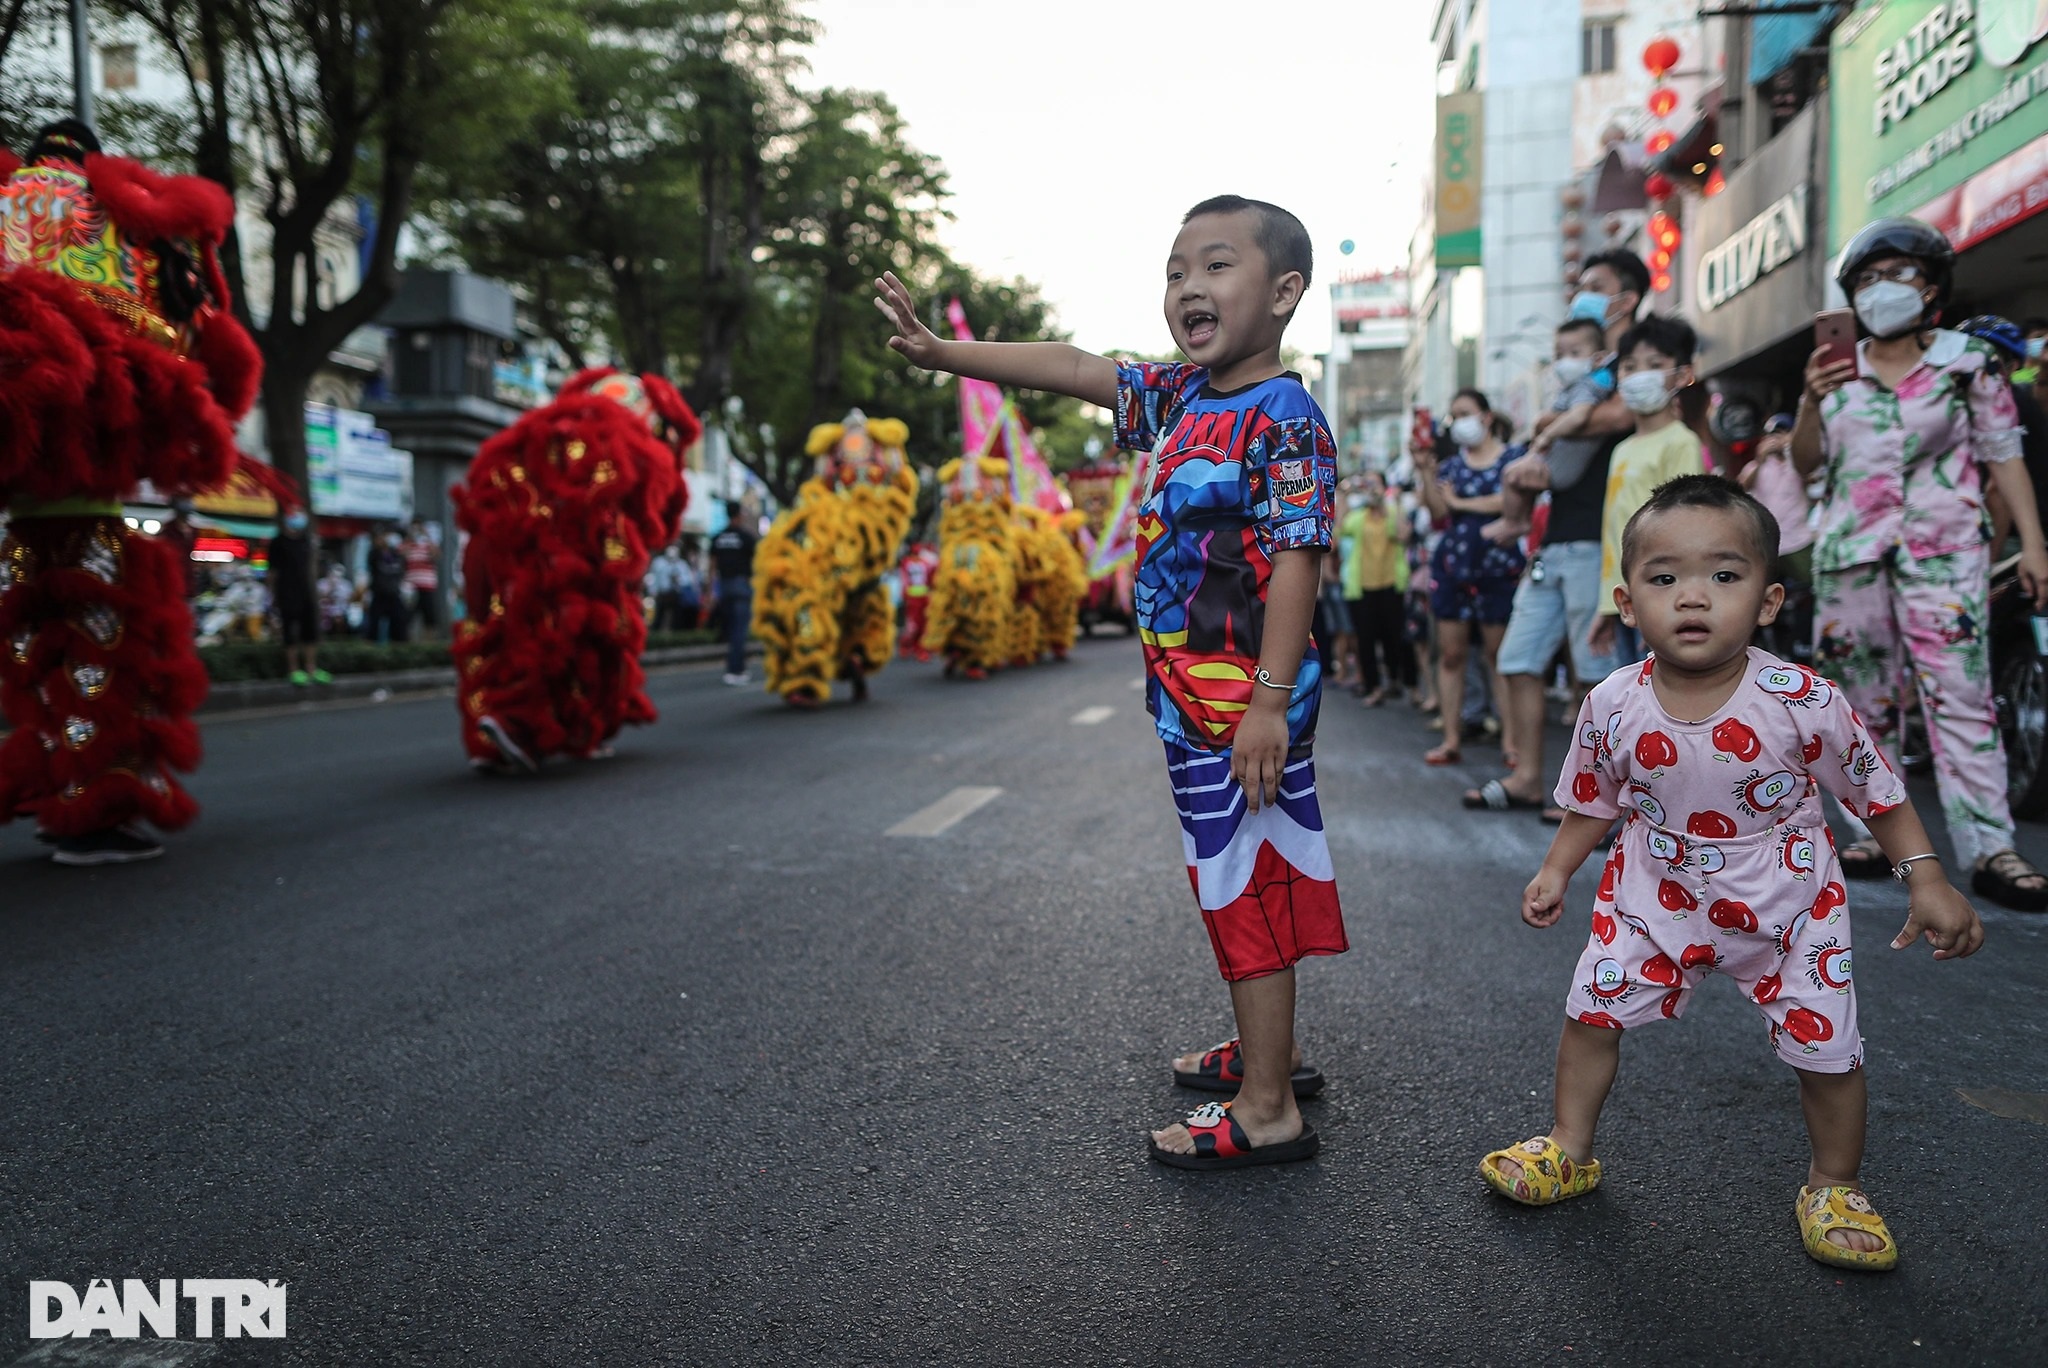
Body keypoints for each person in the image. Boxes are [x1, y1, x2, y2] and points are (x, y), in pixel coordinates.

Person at [874, 193, 1345, 1169]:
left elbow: (1300, 558)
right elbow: (1074, 367)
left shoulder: (1282, 414)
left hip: (1237, 707)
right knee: (1243, 879)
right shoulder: (1181, 397)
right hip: (1196, 703)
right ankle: (1273, 1055)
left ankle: (1265, 1111)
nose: (1187, 288)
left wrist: (1264, 702)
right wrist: (940, 353)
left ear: (1284, 292)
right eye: (1175, 272)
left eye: (1215, 266)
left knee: (1238, 886)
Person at [1479, 474, 1984, 1272]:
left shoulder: (1800, 699)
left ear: (1770, 600)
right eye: (1664, 577)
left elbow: (1876, 793)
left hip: (1789, 895)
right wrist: (1555, 871)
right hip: (1656, 885)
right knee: (1592, 1006)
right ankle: (1571, 1147)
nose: (1692, 597)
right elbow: (1592, 797)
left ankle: (1834, 1183)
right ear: (1625, 599)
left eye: (1724, 575)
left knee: (1828, 1048)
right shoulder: (1612, 700)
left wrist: (1925, 877)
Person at [0, 119, 262, 867]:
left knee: (42, 670)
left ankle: (63, 793)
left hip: (22, 538)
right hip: (90, 532)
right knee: (106, 663)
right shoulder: (119, 223)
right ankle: (95, 807)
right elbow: (202, 343)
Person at [1792, 217, 2048, 911]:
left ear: (1931, 286)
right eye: (1869, 279)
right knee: (1859, 705)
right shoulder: (1834, 370)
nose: (1884, 289)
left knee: (1960, 695)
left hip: (1945, 554)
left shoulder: (1969, 363)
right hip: (1851, 554)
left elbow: (2003, 454)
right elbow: (1806, 464)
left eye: (1900, 273)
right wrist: (1812, 401)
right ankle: (1875, 835)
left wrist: (2034, 546)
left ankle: (1991, 847)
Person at [1463, 248, 1647, 818]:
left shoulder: (1637, 366)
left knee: (1596, 677)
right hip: (1553, 543)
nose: (1581, 292)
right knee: (1518, 659)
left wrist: (1555, 423)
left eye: (1595, 284)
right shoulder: (1580, 375)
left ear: (1627, 298)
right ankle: (1525, 777)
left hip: (1601, 543)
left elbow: (1618, 417)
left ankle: (1601, 795)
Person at [451, 368, 699, 773]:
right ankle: (523, 725)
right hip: (564, 553)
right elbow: (655, 521)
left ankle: (525, 728)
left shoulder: (551, 429)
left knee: (518, 632)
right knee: (572, 637)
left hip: (512, 540)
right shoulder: (634, 444)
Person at [1413, 389, 1524, 764]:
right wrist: (1426, 473)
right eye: (1453, 414)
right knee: (1451, 654)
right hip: (1454, 566)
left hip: (1497, 565)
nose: (1458, 421)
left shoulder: (1513, 459)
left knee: (1498, 656)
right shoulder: (1451, 466)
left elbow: (1511, 503)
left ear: (1486, 417)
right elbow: (1438, 512)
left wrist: (1461, 503)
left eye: (1465, 413)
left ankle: (1512, 742)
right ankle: (1451, 738)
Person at [1590, 315, 1708, 665]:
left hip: (1657, 599)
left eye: (1654, 365)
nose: (1640, 374)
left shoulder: (1680, 442)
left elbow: (1683, 529)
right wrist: (1607, 605)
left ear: (1682, 374)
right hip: (1625, 599)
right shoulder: (1621, 449)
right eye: (1629, 366)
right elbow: (1612, 534)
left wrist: (1663, 601)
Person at [1484, 317, 1612, 545]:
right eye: (1559, 355)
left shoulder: (1587, 387)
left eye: (1575, 353)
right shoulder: (1572, 387)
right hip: (1559, 463)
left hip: (1561, 466)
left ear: (1599, 357)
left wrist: (1547, 435)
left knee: (1512, 474)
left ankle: (1515, 521)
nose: (1565, 361)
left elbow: (1579, 416)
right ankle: (1520, 520)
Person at [1738, 413, 1814, 663]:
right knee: (1754, 596)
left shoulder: (1798, 461)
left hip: (1800, 541)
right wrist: (1760, 459)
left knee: (1813, 594)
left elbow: (1812, 479)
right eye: (1772, 434)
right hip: (1767, 546)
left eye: (1781, 433)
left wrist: (1792, 447)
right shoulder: (1759, 467)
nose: (1776, 439)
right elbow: (1739, 488)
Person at [1341, 472, 1411, 706]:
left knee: (1394, 636)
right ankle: (1374, 686)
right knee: (1365, 640)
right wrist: (1343, 495)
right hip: (1362, 587)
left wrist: (1394, 502)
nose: (1371, 488)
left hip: (1390, 584)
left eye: (1375, 484)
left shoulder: (1392, 514)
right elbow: (1337, 531)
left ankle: (1395, 679)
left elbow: (1402, 534)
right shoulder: (1358, 517)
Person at [265, 508, 330, 687]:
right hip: (286, 593)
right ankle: (293, 670)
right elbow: (272, 571)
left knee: (310, 631)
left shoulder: (306, 541)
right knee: (289, 632)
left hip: (306, 592)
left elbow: (313, 567)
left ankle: (311, 668)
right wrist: (270, 595)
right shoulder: (278, 543)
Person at [710, 500, 759, 685]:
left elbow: (712, 567)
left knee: (730, 629)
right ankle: (736, 670)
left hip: (724, 587)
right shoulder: (745, 537)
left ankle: (733, 667)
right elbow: (757, 561)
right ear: (739, 514)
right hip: (741, 586)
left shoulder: (718, 537)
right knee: (740, 630)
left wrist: (710, 592)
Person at [364, 529, 410, 644]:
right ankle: (371, 645)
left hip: (394, 592)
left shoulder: (396, 554)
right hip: (379, 592)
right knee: (374, 622)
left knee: (399, 621)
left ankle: (398, 645)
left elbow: (402, 566)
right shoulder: (373, 554)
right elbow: (372, 565)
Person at [646, 541, 701, 632]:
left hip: (676, 594)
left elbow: (687, 581)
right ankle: (656, 632)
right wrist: (652, 591)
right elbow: (652, 578)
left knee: (676, 617)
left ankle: (675, 632)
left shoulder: (682, 564)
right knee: (659, 615)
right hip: (662, 593)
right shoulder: (658, 562)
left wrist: (678, 580)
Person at [401, 521, 440, 634]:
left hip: (427, 586)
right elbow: (402, 554)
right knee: (407, 616)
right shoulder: (408, 545)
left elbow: (436, 554)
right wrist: (410, 538)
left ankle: (429, 643)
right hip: (411, 588)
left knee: (429, 617)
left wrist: (427, 536)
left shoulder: (428, 546)